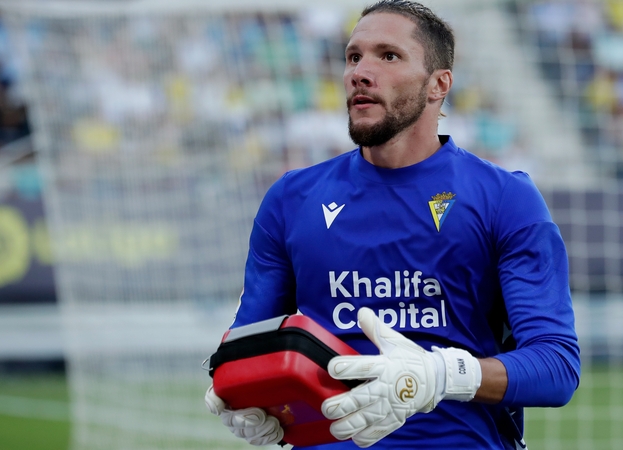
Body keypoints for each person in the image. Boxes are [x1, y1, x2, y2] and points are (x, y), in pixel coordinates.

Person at [205, 1, 581, 448]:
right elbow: (246, 346)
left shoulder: (504, 197)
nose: (360, 73)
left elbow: (556, 366)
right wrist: (236, 394)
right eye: (353, 57)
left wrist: (441, 375)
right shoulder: (291, 199)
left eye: (388, 56)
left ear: (439, 84)